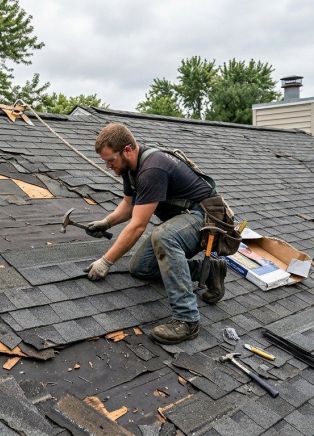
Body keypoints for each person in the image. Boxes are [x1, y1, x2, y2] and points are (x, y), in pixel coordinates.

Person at [84, 122, 227, 344]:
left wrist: (105, 261)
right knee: (140, 267)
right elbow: (129, 204)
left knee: (164, 236)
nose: (108, 166)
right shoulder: (130, 168)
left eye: (111, 160)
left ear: (128, 150)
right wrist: (106, 222)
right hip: (185, 219)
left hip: (206, 220)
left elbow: (138, 225)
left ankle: (187, 320)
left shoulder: (152, 168)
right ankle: (208, 272)